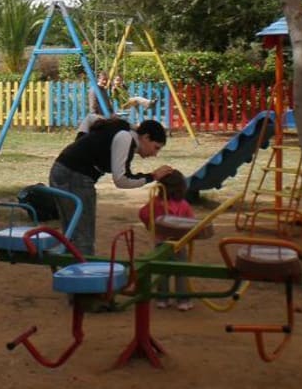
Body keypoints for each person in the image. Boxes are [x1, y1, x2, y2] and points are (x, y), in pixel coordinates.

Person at [50, 117, 173, 256]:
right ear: (145, 137)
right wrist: (153, 176)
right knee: (83, 238)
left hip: (61, 170)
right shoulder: (125, 137)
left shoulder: (123, 130)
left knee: (72, 233)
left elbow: (91, 118)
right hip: (75, 176)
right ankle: (84, 275)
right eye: (156, 147)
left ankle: (68, 274)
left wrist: (81, 144)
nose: (155, 154)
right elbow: (121, 179)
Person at [138, 170, 195, 311]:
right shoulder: (183, 204)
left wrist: (150, 226)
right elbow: (192, 222)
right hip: (178, 243)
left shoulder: (155, 202)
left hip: (160, 241)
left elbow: (143, 213)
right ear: (181, 188)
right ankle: (183, 301)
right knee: (181, 271)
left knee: (162, 270)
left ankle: (162, 299)